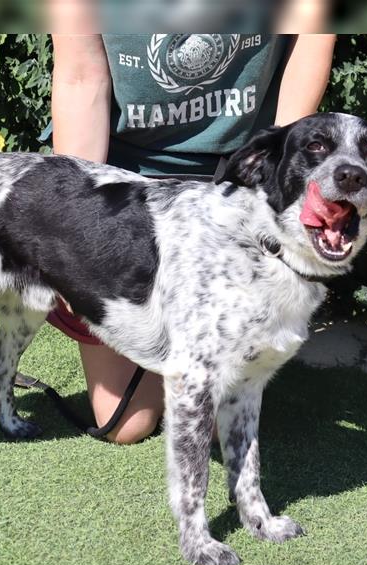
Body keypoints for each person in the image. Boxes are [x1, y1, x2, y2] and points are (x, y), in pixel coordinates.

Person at [47, 28, 335, 444]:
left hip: (237, 170)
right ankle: (172, 336)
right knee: (125, 425)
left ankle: (192, 341)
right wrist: (75, 228)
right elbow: (80, 78)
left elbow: (312, 35)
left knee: (221, 426)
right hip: (128, 178)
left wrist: (277, 172)